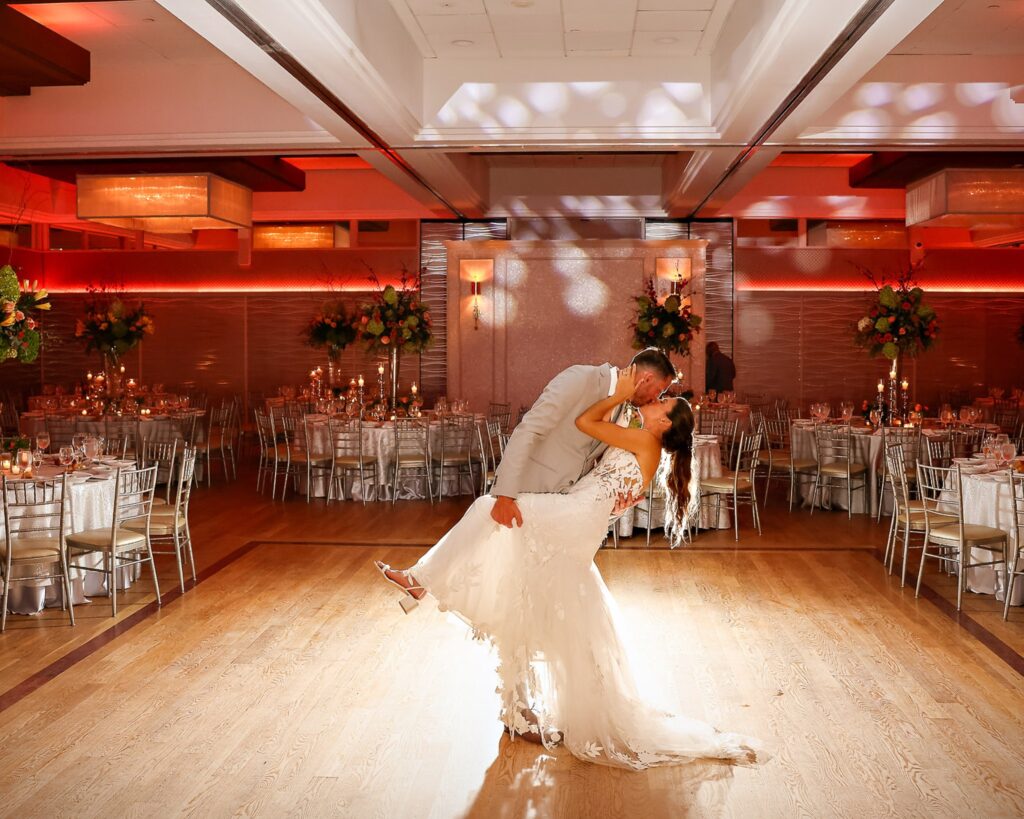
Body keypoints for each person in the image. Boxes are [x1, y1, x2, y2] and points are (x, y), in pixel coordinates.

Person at [374, 366, 765, 770]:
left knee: (490, 508)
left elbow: (585, 422)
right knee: (518, 583)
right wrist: (625, 397)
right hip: (581, 520)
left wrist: (619, 395)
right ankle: (516, 709)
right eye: (659, 394)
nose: (653, 401)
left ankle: (421, 580)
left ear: (664, 423)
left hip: (577, 514)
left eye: (661, 402)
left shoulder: (645, 442)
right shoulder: (643, 439)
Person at [490, 347, 677, 529]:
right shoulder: (580, 378)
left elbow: (597, 469)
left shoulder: (623, 408)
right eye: (659, 391)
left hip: (563, 512)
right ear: (647, 379)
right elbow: (528, 430)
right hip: (525, 495)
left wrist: (614, 509)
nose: (656, 398)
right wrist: (505, 495)